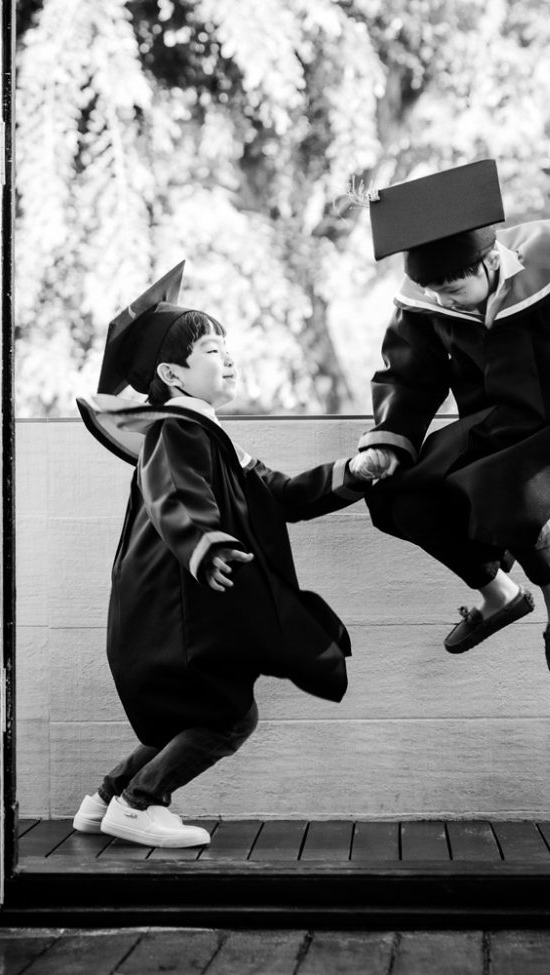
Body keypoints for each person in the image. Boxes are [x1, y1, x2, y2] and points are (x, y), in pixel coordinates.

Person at [72, 263, 374, 847]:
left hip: (170, 612)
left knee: (186, 716)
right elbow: (175, 497)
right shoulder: (176, 432)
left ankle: (104, 799)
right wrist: (205, 545)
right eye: (213, 349)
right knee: (229, 716)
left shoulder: (210, 437)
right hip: (172, 612)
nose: (230, 360)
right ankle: (140, 803)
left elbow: (280, 495)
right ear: (172, 374)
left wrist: (353, 473)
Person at [350, 160, 550, 677]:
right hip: (491, 418)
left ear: (490, 263)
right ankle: (499, 593)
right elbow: (410, 377)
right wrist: (387, 443)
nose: (443, 301)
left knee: (495, 488)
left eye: (454, 292)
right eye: (435, 293)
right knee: (395, 496)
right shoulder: (426, 301)